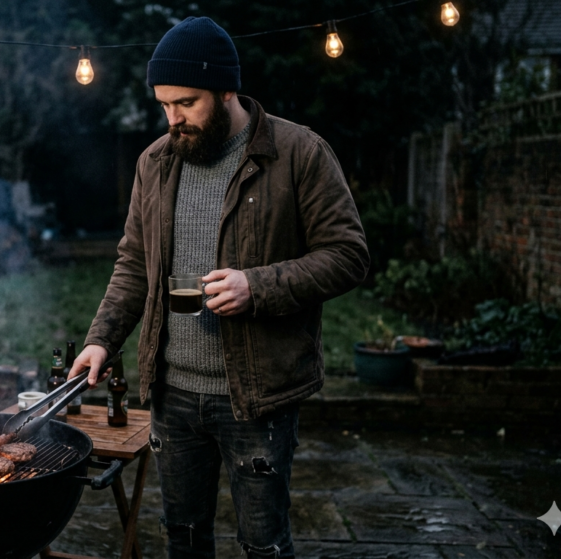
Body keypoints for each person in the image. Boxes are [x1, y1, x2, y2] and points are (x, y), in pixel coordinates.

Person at [67, 16, 370, 559]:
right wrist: (100, 339)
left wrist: (259, 286)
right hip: (172, 395)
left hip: (256, 398)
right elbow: (133, 263)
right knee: (182, 540)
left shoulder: (299, 152)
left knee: (263, 544)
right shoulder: (155, 162)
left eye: (186, 103)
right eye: (164, 105)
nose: (172, 119)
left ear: (227, 89)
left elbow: (348, 256)